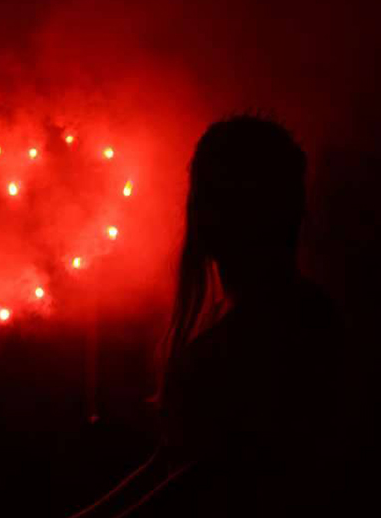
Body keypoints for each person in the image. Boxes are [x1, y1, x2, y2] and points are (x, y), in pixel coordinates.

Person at [70, 115, 344, 517]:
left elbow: (211, 478)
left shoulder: (289, 326)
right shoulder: (228, 319)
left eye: (213, 197)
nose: (200, 213)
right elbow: (171, 461)